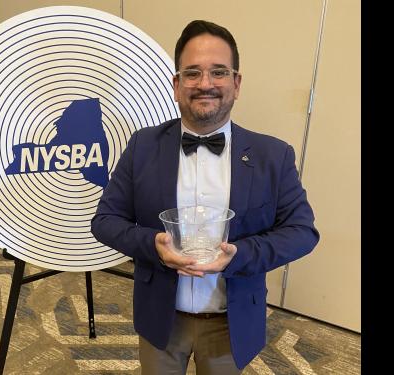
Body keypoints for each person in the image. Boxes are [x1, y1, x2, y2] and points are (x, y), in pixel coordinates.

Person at [91, 19, 319, 374]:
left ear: (236, 83)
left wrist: (239, 256)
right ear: (177, 85)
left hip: (231, 322)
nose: (206, 84)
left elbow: (303, 231)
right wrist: (154, 245)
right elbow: (105, 222)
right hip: (160, 319)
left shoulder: (273, 155)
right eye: (193, 73)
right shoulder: (142, 147)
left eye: (219, 72)